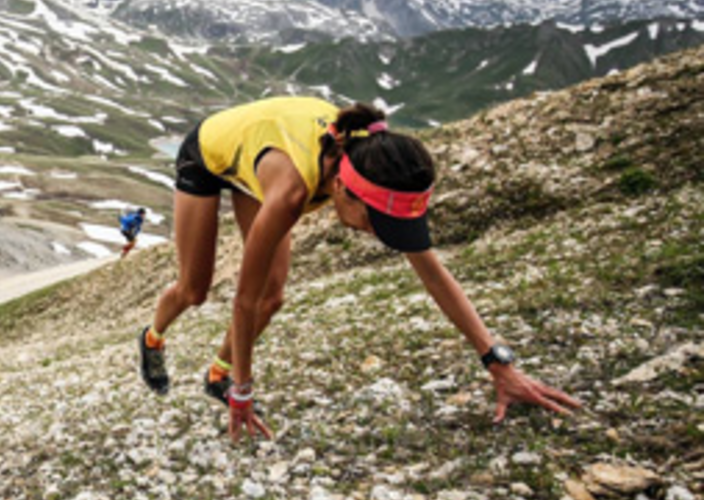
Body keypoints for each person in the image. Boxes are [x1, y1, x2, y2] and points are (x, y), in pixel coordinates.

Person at [136, 98, 582, 443]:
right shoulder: (291, 193)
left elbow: (433, 274)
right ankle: (153, 338)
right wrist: (245, 392)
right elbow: (242, 299)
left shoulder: (369, 156)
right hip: (209, 153)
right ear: (341, 189)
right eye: (373, 220)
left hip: (262, 151)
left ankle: (217, 373)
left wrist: (497, 363)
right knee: (195, 290)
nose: (375, 233)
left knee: (275, 298)